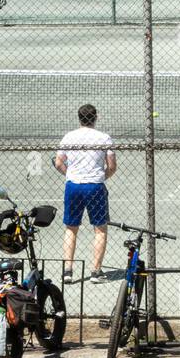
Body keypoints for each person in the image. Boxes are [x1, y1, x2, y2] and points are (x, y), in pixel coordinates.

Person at [54, 103, 115, 283]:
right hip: (95, 186)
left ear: (79, 118)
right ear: (95, 117)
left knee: (71, 228)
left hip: (73, 186)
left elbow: (58, 163)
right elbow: (111, 166)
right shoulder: (104, 138)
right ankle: (96, 272)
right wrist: (100, 177)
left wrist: (71, 174)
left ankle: (68, 271)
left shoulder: (69, 137)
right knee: (100, 229)